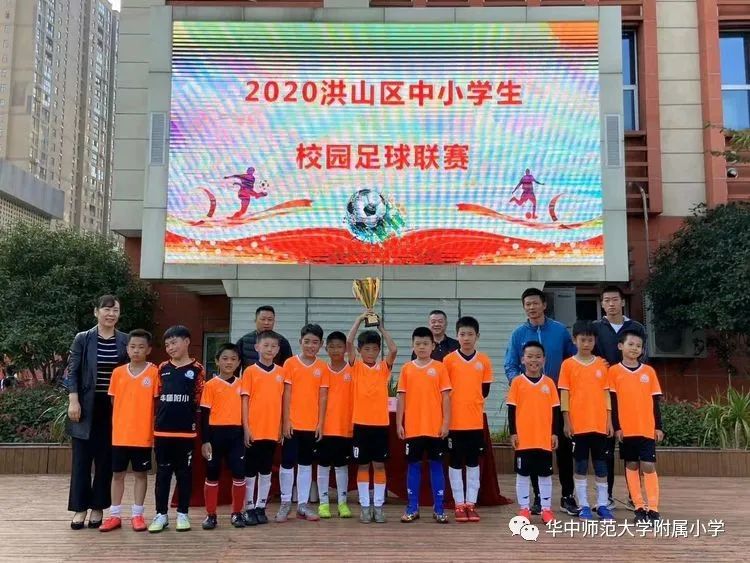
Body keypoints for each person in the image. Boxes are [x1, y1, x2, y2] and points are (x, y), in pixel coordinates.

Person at [504, 287, 578, 516]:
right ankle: (538, 498)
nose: (532, 307)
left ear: (544, 305)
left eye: (535, 303)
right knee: (533, 448)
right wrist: (522, 384)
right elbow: (510, 364)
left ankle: (567, 496)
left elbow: (572, 359)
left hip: (556, 396)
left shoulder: (559, 330)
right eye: (527, 304)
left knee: (563, 447)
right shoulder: (518, 334)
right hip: (530, 402)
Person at [65, 295, 129, 530]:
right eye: (106, 309)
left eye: (115, 310)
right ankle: (80, 508)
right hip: (85, 405)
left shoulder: (125, 340)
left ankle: (98, 507)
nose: (111, 314)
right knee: (81, 460)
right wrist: (73, 400)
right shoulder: (83, 338)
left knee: (105, 460)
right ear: (96, 312)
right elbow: (72, 372)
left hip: (113, 406)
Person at [593, 285, 648, 508]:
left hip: (631, 394)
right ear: (602, 304)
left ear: (622, 302)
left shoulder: (636, 327)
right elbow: (589, 356)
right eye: (607, 300)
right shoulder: (596, 328)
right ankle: (606, 496)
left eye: (615, 299)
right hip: (604, 393)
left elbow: (644, 357)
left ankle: (635, 496)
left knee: (632, 449)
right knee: (606, 447)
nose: (611, 304)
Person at [148, 326, 206, 533]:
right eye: (167, 345)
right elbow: (156, 397)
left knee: (184, 474)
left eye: (174, 343)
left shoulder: (198, 369)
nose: (170, 348)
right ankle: (161, 515)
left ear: (187, 341)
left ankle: (183, 513)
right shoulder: (161, 368)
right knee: (163, 474)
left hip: (186, 431)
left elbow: (200, 400)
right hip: (163, 431)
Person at [99, 330, 159, 532]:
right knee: (117, 475)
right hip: (120, 435)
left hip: (142, 435)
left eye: (141, 347)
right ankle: (114, 515)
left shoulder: (154, 373)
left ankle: (137, 514)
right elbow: (114, 400)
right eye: (132, 346)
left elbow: (156, 403)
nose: (136, 350)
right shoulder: (118, 373)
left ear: (148, 349)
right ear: (127, 348)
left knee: (141, 475)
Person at [559, 321, 614, 521]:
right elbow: (564, 394)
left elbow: (607, 394)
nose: (586, 344)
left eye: (590, 340)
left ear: (594, 341)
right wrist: (566, 421)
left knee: (601, 466)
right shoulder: (567, 365)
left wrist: (609, 420)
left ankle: (602, 504)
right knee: (580, 466)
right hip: (578, 425)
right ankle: (583, 505)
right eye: (582, 340)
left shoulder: (601, 365)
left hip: (599, 424)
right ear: (575, 340)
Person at [346, 311, 397, 524]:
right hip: (361, 425)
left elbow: (393, 349)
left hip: (380, 425)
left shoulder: (383, 368)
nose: (370, 352)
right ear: (360, 351)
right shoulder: (356, 366)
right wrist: (359, 320)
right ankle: (365, 507)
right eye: (366, 349)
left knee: (379, 466)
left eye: (374, 349)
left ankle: (378, 506)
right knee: (363, 466)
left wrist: (380, 327)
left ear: (378, 350)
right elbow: (348, 343)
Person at [397, 327, 452, 524]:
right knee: (413, 467)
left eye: (425, 344)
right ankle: (412, 508)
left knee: (437, 466)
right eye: (418, 344)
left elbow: (446, 397)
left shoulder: (440, 368)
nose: (422, 347)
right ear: (412, 345)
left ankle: (439, 509)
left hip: (435, 429)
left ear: (433, 346)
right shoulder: (406, 368)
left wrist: (446, 422)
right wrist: (399, 423)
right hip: (413, 429)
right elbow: (401, 397)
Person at [609, 330, 664, 523]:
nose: (634, 348)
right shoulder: (614, 371)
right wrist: (617, 427)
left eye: (638, 346)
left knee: (648, 465)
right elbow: (612, 402)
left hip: (646, 428)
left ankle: (653, 508)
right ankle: (639, 507)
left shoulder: (649, 372)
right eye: (630, 344)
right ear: (620, 346)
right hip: (626, 429)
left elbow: (655, 402)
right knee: (631, 465)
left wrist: (658, 426)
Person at [277, 324, 329, 523]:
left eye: (315, 342)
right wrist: (286, 421)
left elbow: (323, 397)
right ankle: (285, 503)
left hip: (311, 425)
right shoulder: (290, 363)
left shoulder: (322, 367)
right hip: (292, 424)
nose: (310, 346)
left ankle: (303, 504)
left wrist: (320, 423)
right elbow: (286, 394)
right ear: (300, 342)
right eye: (307, 342)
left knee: (306, 464)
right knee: (287, 462)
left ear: (321, 345)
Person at [443, 316, 493, 523]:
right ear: (457, 336)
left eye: (470, 334)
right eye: (462, 334)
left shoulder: (484, 361)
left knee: (473, 463)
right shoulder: (448, 361)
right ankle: (459, 503)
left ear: (477, 336)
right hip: (454, 423)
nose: (466, 338)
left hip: (474, 422)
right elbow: (444, 392)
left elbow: (485, 390)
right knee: (455, 463)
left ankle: (471, 503)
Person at [507, 341, 559, 524]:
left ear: (544, 359)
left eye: (538, 356)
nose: (533, 360)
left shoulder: (549, 383)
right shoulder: (517, 382)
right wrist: (513, 433)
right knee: (523, 475)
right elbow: (511, 410)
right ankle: (524, 509)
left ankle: (546, 510)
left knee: (545, 475)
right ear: (522, 359)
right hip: (524, 439)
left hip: (543, 439)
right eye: (529, 356)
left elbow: (555, 410)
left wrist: (554, 433)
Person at [240, 330, 286, 526]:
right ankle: (249, 507)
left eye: (273, 346)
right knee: (250, 470)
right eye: (266, 345)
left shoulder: (281, 372)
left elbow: (283, 402)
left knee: (266, 470)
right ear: (257, 347)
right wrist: (246, 428)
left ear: (278, 349)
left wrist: (281, 427)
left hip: (272, 430)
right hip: (254, 430)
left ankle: (261, 506)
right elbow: (244, 401)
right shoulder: (250, 371)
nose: (269, 349)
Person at [200, 343, 246, 530]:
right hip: (215, 436)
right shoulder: (210, 385)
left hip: (236, 436)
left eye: (233, 359)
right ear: (217, 361)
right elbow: (204, 415)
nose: (229, 362)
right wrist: (205, 441)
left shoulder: (242, 384)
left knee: (239, 473)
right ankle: (211, 514)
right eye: (225, 358)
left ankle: (237, 513)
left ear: (239, 362)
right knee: (212, 473)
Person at [317, 331, 355, 519]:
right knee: (323, 465)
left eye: (339, 346)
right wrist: (319, 423)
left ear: (346, 349)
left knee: (341, 465)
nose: (335, 350)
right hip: (324, 427)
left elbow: (351, 342)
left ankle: (342, 502)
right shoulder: (322, 370)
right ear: (326, 348)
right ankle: (323, 503)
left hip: (345, 427)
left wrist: (360, 319)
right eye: (331, 346)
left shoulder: (353, 369)